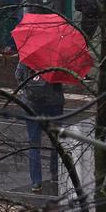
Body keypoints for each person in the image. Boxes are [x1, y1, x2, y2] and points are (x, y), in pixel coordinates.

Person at [15, 61, 65, 193]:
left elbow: (18, 76)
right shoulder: (56, 56)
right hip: (53, 103)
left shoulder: (28, 54)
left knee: (34, 143)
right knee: (55, 140)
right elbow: (63, 77)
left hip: (31, 104)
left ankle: (36, 182)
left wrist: (27, 91)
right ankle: (54, 173)